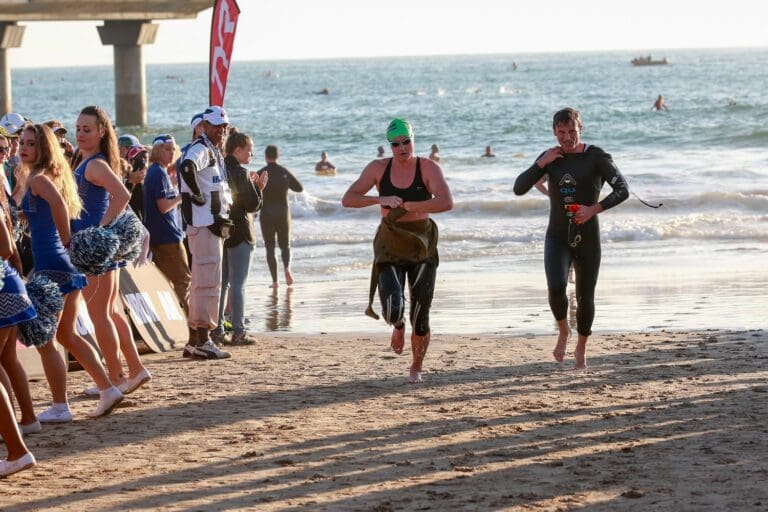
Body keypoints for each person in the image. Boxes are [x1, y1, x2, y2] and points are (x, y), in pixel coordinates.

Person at [19, 123, 123, 419]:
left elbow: (60, 206)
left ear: (43, 150)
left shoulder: (39, 178)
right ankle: (108, 389)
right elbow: (42, 210)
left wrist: (67, 241)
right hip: (59, 264)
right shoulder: (36, 177)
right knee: (67, 336)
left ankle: (61, 406)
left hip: (52, 264)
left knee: (46, 339)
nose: (23, 148)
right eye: (22, 143)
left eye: (30, 144)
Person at [513, 108, 628, 369]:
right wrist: (541, 163)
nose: (567, 138)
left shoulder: (596, 156)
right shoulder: (550, 157)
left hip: (588, 236)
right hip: (557, 235)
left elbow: (623, 190)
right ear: (554, 131)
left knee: (586, 296)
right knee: (556, 286)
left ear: (581, 129)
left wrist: (593, 209)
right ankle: (564, 331)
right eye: (561, 132)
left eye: (572, 131)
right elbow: (519, 188)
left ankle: (581, 346)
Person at [342, 118, 453, 384]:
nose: (402, 148)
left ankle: (416, 366)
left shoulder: (428, 167)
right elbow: (348, 199)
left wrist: (412, 206)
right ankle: (398, 326)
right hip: (390, 242)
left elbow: (446, 201)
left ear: (413, 140)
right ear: (389, 146)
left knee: (421, 314)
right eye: (396, 144)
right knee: (392, 308)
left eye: (406, 142)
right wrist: (380, 199)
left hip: (421, 244)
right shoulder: (378, 168)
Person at [71, 106, 152, 396]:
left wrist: (99, 230)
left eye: (87, 129)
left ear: (102, 132)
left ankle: (116, 377)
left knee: (99, 313)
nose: (80, 134)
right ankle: (134, 368)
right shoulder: (92, 161)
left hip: (96, 251)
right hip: (103, 250)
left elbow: (122, 195)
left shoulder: (96, 164)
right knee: (111, 310)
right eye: (78, 128)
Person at [178, 105, 232, 360]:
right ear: (204, 126)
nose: (221, 131)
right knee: (208, 283)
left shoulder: (210, 150)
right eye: (216, 126)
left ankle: (194, 340)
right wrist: (198, 196)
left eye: (224, 127)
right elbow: (187, 168)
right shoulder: (201, 149)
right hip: (205, 223)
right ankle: (203, 338)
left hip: (207, 222)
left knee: (202, 281)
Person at [210, 128, 267, 346]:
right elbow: (253, 205)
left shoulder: (218, 168)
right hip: (241, 231)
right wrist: (259, 188)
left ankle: (216, 330)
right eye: (249, 151)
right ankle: (238, 330)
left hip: (222, 230)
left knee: (222, 283)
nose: (251, 155)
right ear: (238, 150)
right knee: (238, 284)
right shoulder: (241, 173)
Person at [142, 134, 190, 313]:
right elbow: (163, 207)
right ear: (158, 150)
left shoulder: (158, 171)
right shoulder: (157, 172)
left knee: (168, 281)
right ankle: (191, 327)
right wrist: (182, 196)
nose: (171, 153)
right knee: (183, 280)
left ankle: (176, 319)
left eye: (173, 149)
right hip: (167, 236)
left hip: (162, 235)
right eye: (167, 149)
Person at [257, 144, 303, 289]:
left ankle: (275, 281)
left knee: (270, 247)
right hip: (283, 213)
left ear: (265, 157)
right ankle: (287, 269)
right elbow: (299, 188)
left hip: (266, 213)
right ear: (278, 156)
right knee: (285, 245)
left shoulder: (261, 173)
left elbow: (253, 192)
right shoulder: (284, 172)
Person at [124, 145, 148, 220]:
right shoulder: (122, 181)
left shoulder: (145, 183)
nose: (143, 162)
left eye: (145, 158)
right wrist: (132, 182)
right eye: (139, 159)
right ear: (130, 162)